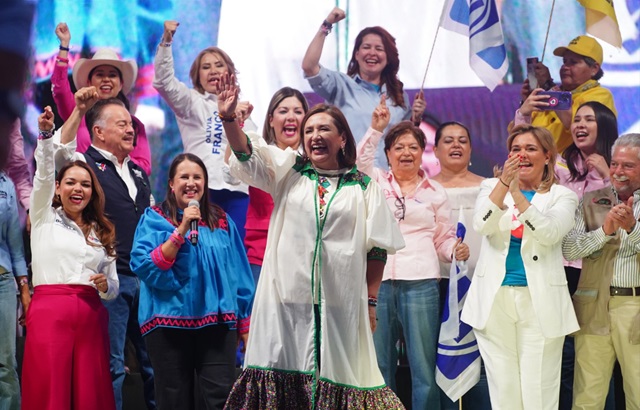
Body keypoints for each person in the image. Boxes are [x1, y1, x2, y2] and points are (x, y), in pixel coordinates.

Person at [218, 73, 406, 408]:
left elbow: (376, 249)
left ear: (342, 138)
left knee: (346, 376)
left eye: (324, 129)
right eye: (309, 131)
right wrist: (229, 119)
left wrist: (370, 303)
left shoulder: (363, 187)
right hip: (286, 301)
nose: (315, 136)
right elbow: (246, 153)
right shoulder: (289, 171)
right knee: (286, 377)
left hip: (341, 302)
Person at [356, 100, 469, 409]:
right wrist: (376, 129)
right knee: (379, 366)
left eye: (413, 147)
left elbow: (442, 238)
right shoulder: (374, 181)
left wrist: (454, 250)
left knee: (423, 368)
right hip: (377, 284)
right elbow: (359, 163)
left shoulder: (435, 191)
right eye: (399, 147)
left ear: (422, 152)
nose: (406, 153)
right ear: (388, 154)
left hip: (422, 283)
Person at [461, 125, 579, 409]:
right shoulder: (491, 188)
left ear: (547, 156)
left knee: (539, 391)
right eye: (516, 149)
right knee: (504, 390)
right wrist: (504, 185)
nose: (522, 155)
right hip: (494, 301)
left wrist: (517, 195)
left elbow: (549, 233)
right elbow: (481, 225)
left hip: (540, 303)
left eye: (530, 149)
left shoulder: (563, 196)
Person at [54, 90, 155, 410]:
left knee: (154, 364)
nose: (131, 129)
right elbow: (57, 152)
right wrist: (78, 109)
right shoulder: (83, 165)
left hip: (146, 282)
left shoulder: (138, 172)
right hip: (108, 280)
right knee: (112, 367)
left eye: (131, 124)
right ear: (98, 131)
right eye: (122, 124)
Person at [129, 153, 254, 410]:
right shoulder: (153, 219)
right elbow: (145, 266)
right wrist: (181, 230)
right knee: (173, 400)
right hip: (168, 325)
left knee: (222, 398)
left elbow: (239, 272)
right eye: (184, 177)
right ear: (171, 184)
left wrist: (245, 324)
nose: (191, 183)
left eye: (197, 177)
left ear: (205, 184)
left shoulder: (221, 221)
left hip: (217, 325)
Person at [21, 106, 118, 410]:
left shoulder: (102, 231)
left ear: (93, 191)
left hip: (91, 316)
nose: (78, 189)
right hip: (50, 314)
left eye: (85, 184)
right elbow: (43, 174)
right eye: (71, 183)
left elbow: (113, 287)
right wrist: (46, 135)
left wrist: (105, 286)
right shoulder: (44, 215)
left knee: (90, 393)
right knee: (50, 391)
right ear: (58, 188)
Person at [154, 20, 255, 241]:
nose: (213, 71)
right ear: (197, 76)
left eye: (219, 65)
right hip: (200, 190)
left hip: (237, 193)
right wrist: (166, 42)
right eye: (206, 67)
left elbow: (253, 158)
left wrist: (240, 123)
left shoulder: (245, 112)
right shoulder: (191, 102)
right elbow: (163, 82)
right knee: (199, 248)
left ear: (230, 72)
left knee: (233, 251)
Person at [562, 133, 640, 410]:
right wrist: (604, 232)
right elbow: (569, 249)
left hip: (635, 307)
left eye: (628, 165)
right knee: (587, 398)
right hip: (593, 305)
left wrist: (632, 228)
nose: (618, 171)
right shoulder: (591, 200)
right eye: (614, 163)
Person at [302, 7, 426, 168]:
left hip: (386, 177)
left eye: (379, 49)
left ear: (388, 57)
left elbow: (404, 140)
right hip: (349, 175)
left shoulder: (398, 95)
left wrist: (416, 119)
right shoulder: (341, 85)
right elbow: (309, 66)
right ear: (357, 54)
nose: (372, 53)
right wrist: (327, 25)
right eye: (366, 47)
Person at [555, 101, 618, 408]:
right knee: (565, 356)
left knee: (599, 357)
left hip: (599, 272)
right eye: (576, 119)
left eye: (588, 119)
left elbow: (620, 219)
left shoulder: (619, 167)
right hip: (560, 269)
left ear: (603, 126)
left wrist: (607, 177)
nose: (579, 125)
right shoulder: (561, 167)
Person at [431, 121, 491, 409]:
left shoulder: (489, 188)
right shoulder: (425, 190)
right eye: (448, 140)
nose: (456, 145)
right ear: (435, 150)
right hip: (435, 285)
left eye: (462, 140)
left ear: (470, 149)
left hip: (480, 285)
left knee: (482, 359)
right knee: (440, 358)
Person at [52, 22, 152, 175]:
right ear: (89, 82)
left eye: (112, 75)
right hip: (81, 186)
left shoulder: (134, 126)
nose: (106, 79)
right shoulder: (76, 112)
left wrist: (113, 163)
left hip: (118, 189)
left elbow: (145, 167)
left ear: (121, 84)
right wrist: (64, 46)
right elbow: (59, 88)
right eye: (100, 75)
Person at [243, 87, 308, 283]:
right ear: (271, 120)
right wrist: (235, 125)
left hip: (305, 256)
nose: (291, 117)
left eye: (298, 111)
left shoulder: (316, 160)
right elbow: (231, 171)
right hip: (262, 254)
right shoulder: (259, 155)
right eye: (283, 111)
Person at [514, 35, 617, 153]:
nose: (565, 67)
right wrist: (525, 104)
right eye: (564, 61)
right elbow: (516, 135)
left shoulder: (601, 95)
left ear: (594, 69)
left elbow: (574, 123)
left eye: (573, 62)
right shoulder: (548, 95)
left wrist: (548, 85)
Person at [0, 164, 29, 410]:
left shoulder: (5, 184)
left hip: (3, 283)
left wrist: (25, 291)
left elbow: (15, 246)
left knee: (5, 364)